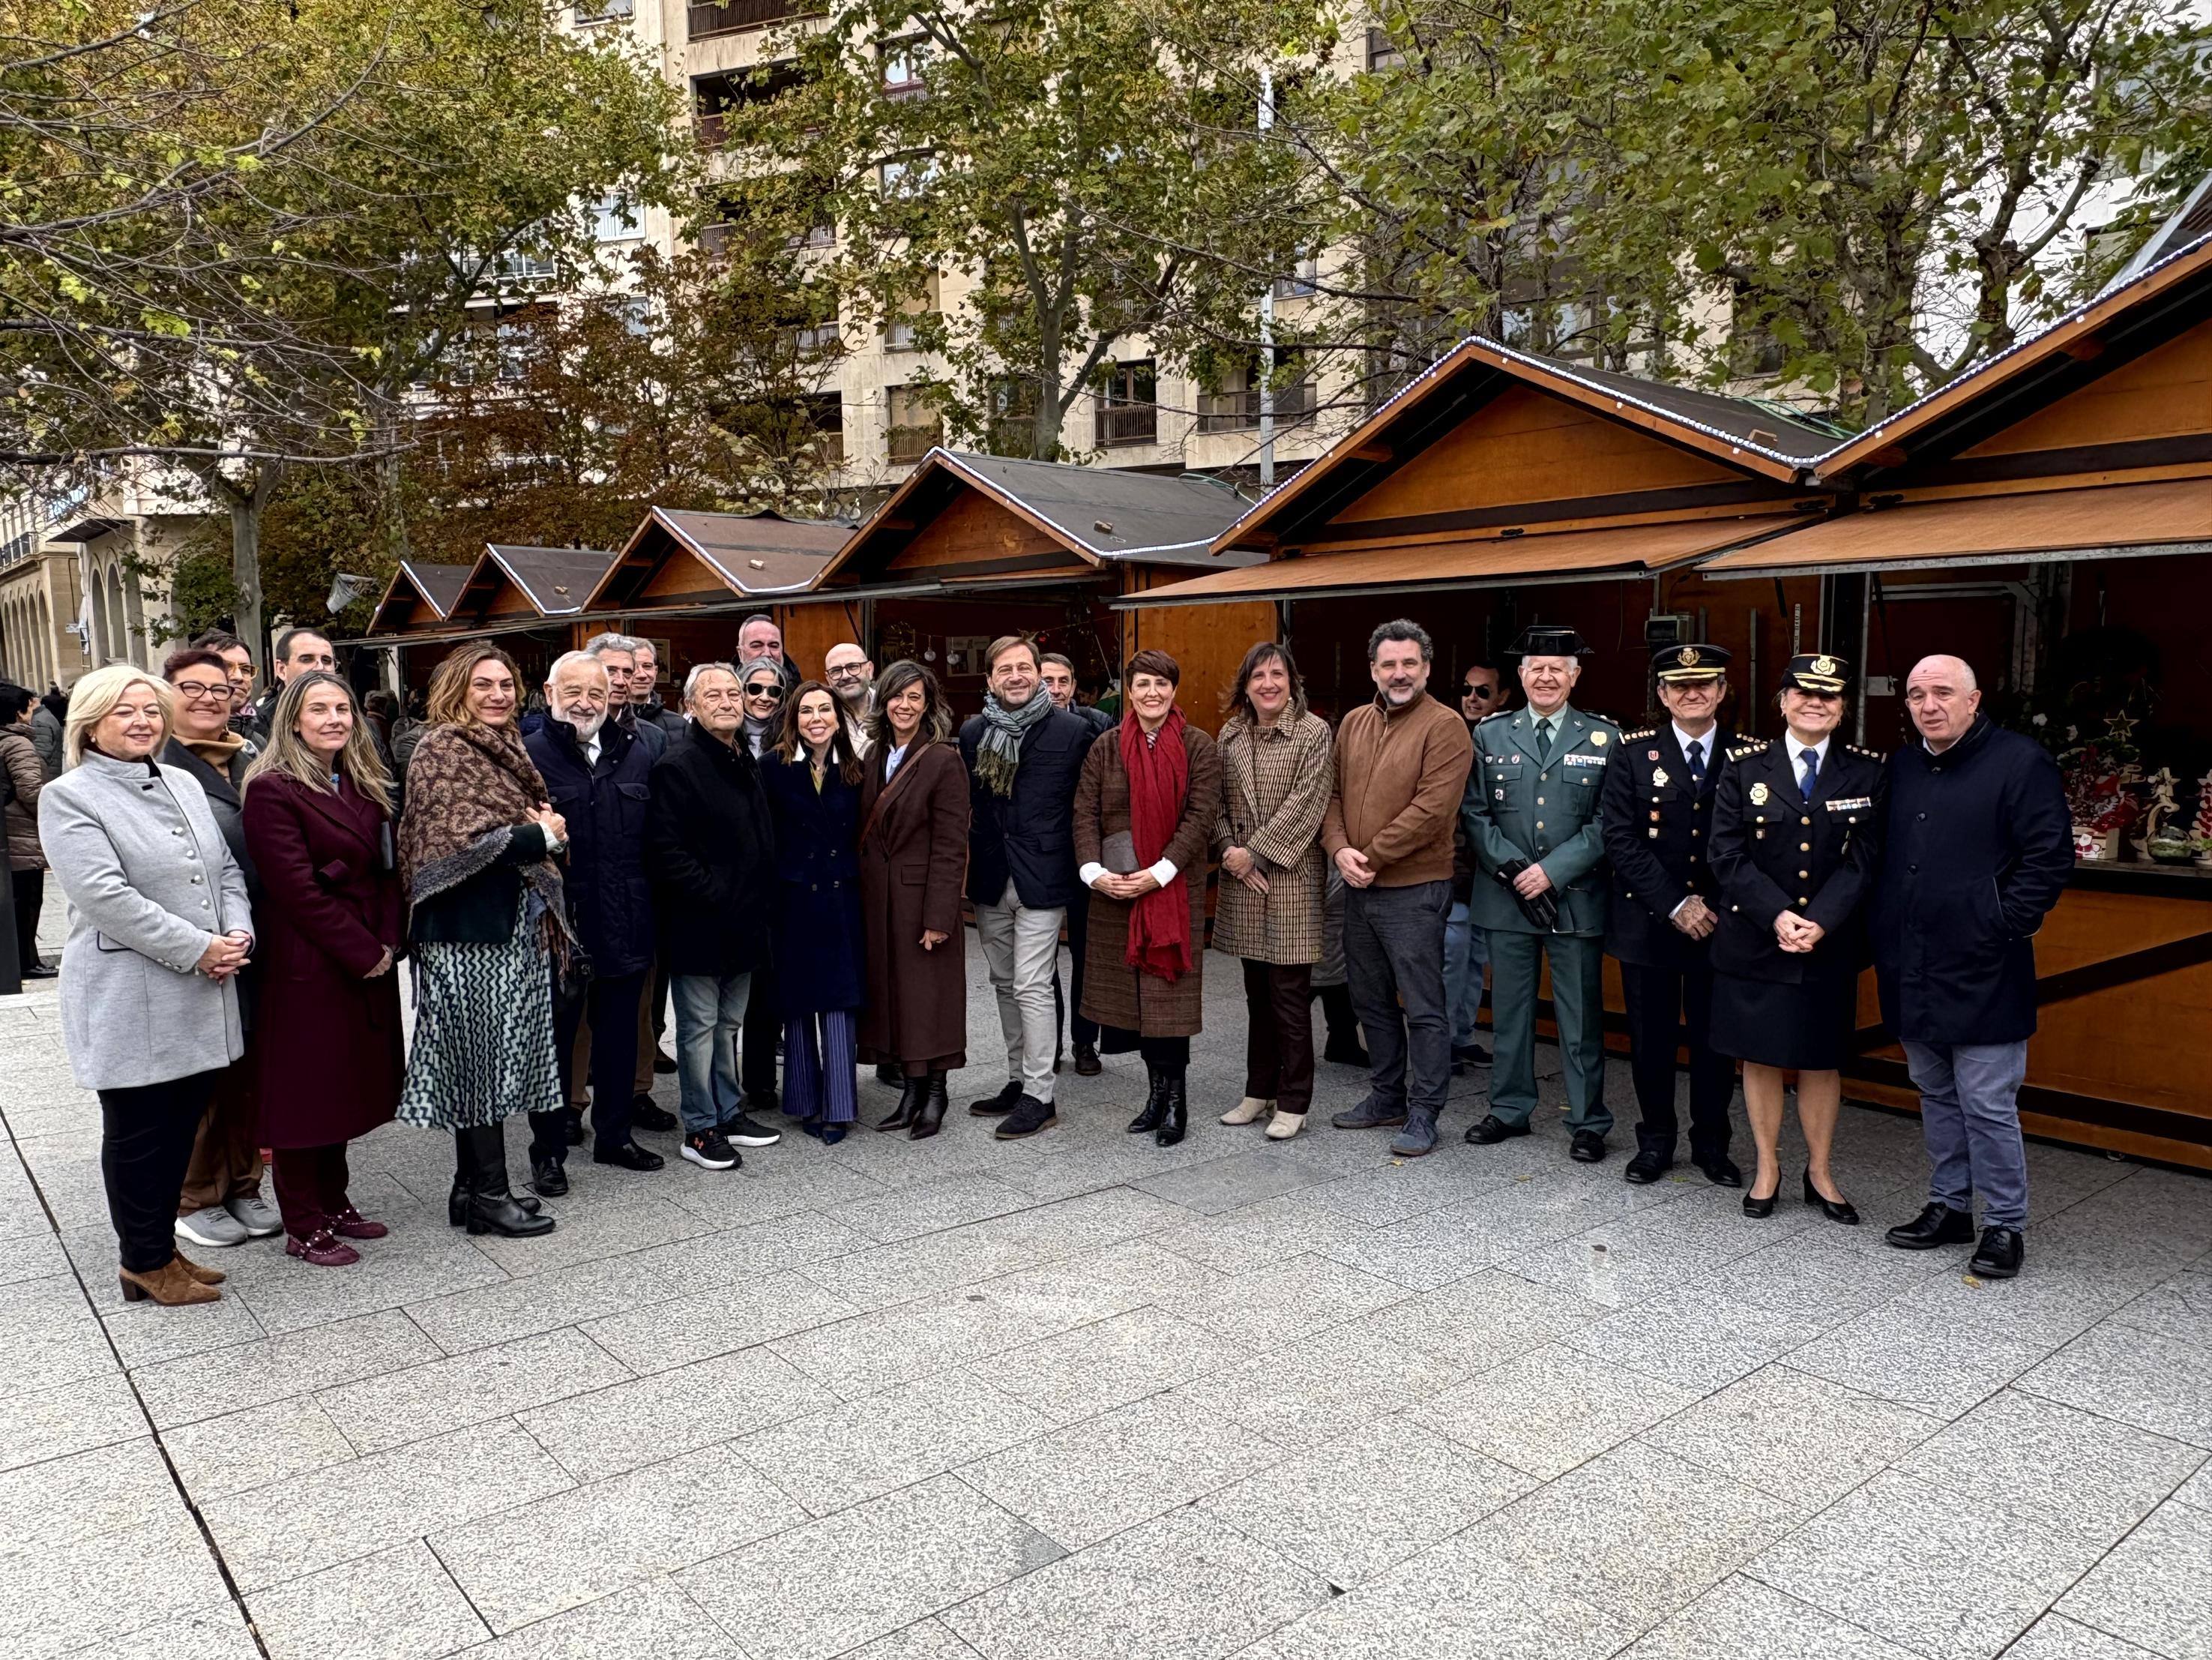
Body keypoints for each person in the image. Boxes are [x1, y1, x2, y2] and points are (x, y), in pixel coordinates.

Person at [40, 665, 253, 1305]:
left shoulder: (182, 781)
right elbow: (106, 898)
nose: (142, 721)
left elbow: (224, 872)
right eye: (124, 711)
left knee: (180, 1126)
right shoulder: (70, 795)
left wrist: (236, 934)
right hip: (129, 992)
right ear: (90, 724)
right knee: (139, 1131)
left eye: (151, 710)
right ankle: (143, 1261)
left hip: (199, 988)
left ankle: (161, 1249)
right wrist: (199, 948)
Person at [1874, 654, 2071, 1280]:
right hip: (1910, 961)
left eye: (1941, 692)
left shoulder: (2019, 761)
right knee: (1935, 1092)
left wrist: (2002, 921)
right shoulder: (1903, 765)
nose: (1928, 705)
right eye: (1915, 695)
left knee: (1986, 1101)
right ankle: (1950, 1206)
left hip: (1985, 963)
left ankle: (2004, 1224)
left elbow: (2049, 856)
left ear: (1973, 699)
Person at [1708, 652, 1886, 1224]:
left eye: (1827, 696)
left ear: (1842, 708)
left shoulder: (1867, 772)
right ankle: (1767, 1167)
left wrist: (1821, 921)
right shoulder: (1743, 768)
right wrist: (1777, 915)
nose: (1814, 703)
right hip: (1757, 939)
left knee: (1820, 1059)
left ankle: (1820, 1171)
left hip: (1826, 942)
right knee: (1759, 1058)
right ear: (1782, 701)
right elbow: (1725, 854)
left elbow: (1864, 861)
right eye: (1803, 693)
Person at [394, 645, 563, 1239]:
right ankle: (490, 1194)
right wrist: (540, 836)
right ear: (456, 690)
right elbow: (453, 844)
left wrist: (539, 833)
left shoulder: (504, 744)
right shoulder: (442, 748)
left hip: (506, 923)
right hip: (465, 931)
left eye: (505, 684)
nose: (497, 694)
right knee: (480, 1060)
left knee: (486, 1056)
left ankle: (470, 1191)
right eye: (483, 684)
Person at [241, 673, 406, 1266]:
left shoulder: (363, 782)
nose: (334, 719)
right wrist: (362, 950)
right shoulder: (271, 790)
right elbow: (295, 891)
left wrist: (389, 940)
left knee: (345, 1086)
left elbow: (388, 871)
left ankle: (335, 1201)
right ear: (293, 720)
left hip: (367, 953)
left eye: (342, 708)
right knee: (304, 1094)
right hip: (309, 961)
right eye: (319, 709)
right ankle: (303, 1222)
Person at [1462, 626, 1618, 1162]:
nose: (1546, 677)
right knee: (1510, 1013)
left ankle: (1588, 1120)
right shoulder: (1490, 735)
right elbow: (1474, 812)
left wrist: (1551, 871)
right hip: (1507, 897)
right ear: (1521, 675)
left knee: (1580, 1019)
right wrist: (1514, 869)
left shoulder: (1603, 738)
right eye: (1536, 668)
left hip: (1574, 898)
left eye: (1557, 669)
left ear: (1575, 677)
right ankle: (1508, 1109)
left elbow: (1608, 821)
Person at [1322, 619, 1474, 1158]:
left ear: (1426, 668)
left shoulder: (1446, 726)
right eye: (1389, 664)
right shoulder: (1353, 723)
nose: (1399, 673)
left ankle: (1425, 1111)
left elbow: (1433, 810)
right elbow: (1330, 795)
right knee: (1369, 999)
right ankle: (1386, 1096)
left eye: (1409, 663)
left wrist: (1369, 856)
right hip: (1358, 887)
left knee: (1424, 1006)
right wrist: (1338, 849)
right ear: (1373, 670)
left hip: (1414, 890)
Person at [1602, 643, 1744, 1188]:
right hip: (1650, 922)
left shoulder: (1750, 755)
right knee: (1651, 1040)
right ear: (1662, 695)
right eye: (1680, 686)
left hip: (1721, 924)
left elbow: (1754, 844)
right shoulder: (1632, 753)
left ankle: (1712, 1144)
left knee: (1715, 1043)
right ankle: (1656, 1141)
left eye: (1704, 684)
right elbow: (1620, 837)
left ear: (1721, 691)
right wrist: (1676, 904)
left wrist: (1712, 905)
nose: (1692, 693)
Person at [524, 651, 664, 1192]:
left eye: (597, 694)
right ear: (550, 692)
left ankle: (615, 1136)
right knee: (556, 1042)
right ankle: (549, 1152)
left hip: (625, 918)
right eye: (574, 692)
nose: (585, 704)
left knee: (619, 1037)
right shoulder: (530, 756)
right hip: (560, 925)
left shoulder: (635, 752)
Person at [1073, 650, 1223, 1147]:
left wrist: (1159, 873)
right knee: (1135, 1003)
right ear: (1130, 691)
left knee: (1167, 1001)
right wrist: (1093, 872)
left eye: (1161, 684)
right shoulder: (1106, 746)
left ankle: (1176, 1100)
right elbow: (1084, 812)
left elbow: (1201, 816)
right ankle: (1154, 1097)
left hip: (1172, 889)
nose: (1152, 693)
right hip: (1116, 892)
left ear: (1173, 690)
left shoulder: (1198, 745)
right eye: (1142, 684)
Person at [160, 648, 280, 1248]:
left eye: (220, 687)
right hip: (196, 943)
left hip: (254, 934)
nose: (210, 697)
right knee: (201, 1076)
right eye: (193, 687)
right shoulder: (157, 763)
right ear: (167, 694)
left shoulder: (251, 753)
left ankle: (243, 1184)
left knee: (246, 1070)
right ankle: (195, 1195)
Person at [645, 663, 780, 1170]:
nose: (726, 701)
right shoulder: (678, 765)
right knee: (699, 1028)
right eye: (713, 695)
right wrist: (716, 894)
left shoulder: (740, 755)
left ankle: (728, 1112)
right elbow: (665, 851)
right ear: (691, 706)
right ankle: (700, 1128)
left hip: (745, 922)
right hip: (700, 923)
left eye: (732, 693)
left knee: (727, 1025)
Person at [959, 635, 1093, 1140]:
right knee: (1003, 982)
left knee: (1032, 983)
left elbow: (1087, 805)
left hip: (1045, 875)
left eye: (1023, 667)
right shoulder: (973, 732)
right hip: (992, 875)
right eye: (1004, 669)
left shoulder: (1073, 730)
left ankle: (1041, 1095)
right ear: (990, 679)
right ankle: (1018, 1080)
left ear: (1038, 674)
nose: (1015, 676)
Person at [1213, 643, 1333, 1140]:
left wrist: (1254, 854)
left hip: (1290, 878)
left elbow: (1308, 802)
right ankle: (1257, 1091)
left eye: (1277, 674)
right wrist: (1229, 850)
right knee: (1256, 994)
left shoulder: (1313, 732)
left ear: (1292, 681)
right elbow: (1214, 800)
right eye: (1258, 675)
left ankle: (1294, 1099)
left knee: (1289, 995)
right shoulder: (1231, 733)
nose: (1268, 684)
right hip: (1242, 879)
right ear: (1245, 686)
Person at [857, 661, 970, 1140]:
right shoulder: (874, 754)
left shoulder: (944, 760)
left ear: (928, 706)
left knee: (930, 1000)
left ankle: (936, 1094)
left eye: (915, 697)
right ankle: (910, 1092)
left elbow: (951, 844)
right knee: (898, 1000)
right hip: (879, 902)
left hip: (923, 902)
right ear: (883, 701)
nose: (904, 705)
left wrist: (940, 916)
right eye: (897, 696)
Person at [760, 682, 869, 1143]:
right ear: (794, 719)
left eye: (825, 709)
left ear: (838, 718)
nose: (816, 719)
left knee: (840, 1001)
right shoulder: (773, 768)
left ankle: (839, 1105)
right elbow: (765, 834)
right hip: (794, 898)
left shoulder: (856, 769)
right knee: (799, 1001)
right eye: (806, 711)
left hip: (843, 897)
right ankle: (805, 1099)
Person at [1042, 649, 1112, 1075]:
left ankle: (1086, 1042)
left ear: (1073, 686)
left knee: (1087, 954)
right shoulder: (1024, 726)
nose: (1055, 689)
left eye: (1063, 681)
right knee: (1042, 958)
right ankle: (1047, 1044)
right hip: (1043, 857)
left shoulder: (1097, 724)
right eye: (1047, 681)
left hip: (1088, 853)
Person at [1446, 659, 1505, 1072]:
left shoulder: (1504, 738)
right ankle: (1442, 1042)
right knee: (1452, 957)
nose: (1472, 698)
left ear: (1502, 697)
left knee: (1474, 959)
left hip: (1490, 874)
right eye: (1467, 689)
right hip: (1454, 870)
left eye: (1483, 691)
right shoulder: (1452, 734)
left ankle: (1462, 1036)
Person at [735, 660, 789, 1113]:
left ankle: (761, 1081)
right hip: (735, 876)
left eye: (774, 691)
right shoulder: (724, 735)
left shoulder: (788, 740)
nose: (764, 698)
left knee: (769, 984)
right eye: (755, 689)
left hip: (780, 873)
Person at [1, 685, 52, 978]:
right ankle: (27, 962)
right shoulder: (18, 744)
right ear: (19, 712)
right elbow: (31, 791)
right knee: (27, 902)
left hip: (7, 834)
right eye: (30, 708)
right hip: (21, 836)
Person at [580, 632, 666, 760]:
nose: (621, 681)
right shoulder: (565, 732)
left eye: (627, 672)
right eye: (610, 671)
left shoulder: (654, 738)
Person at [243, 627, 335, 741]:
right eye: (307, 659)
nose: (320, 667)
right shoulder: (257, 725)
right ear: (282, 670)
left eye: (326, 660)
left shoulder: (352, 716)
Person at [630, 640, 689, 745]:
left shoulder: (680, 725)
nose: (641, 674)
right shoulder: (605, 721)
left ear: (656, 671)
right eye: (633, 667)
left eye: (647, 666)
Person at [824, 642, 876, 755]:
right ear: (828, 679)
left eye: (853, 667)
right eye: (836, 670)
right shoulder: (822, 716)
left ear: (869, 670)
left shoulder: (889, 708)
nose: (845, 676)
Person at [738, 613, 798, 688]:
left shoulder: (800, 692)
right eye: (756, 646)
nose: (767, 653)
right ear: (741, 654)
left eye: (774, 646)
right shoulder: (729, 690)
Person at [29, 682, 65, 779]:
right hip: (59, 721)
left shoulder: (39, 722)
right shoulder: (45, 716)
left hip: (45, 776)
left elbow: (40, 757)